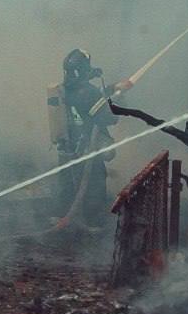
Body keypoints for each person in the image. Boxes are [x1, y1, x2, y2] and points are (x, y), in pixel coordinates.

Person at [53, 49, 130, 225]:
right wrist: (119, 98)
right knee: (94, 183)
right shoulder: (89, 92)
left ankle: (60, 216)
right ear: (83, 69)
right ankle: (93, 222)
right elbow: (109, 117)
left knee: (67, 183)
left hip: (67, 148)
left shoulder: (63, 90)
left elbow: (91, 99)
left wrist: (112, 88)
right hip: (87, 148)